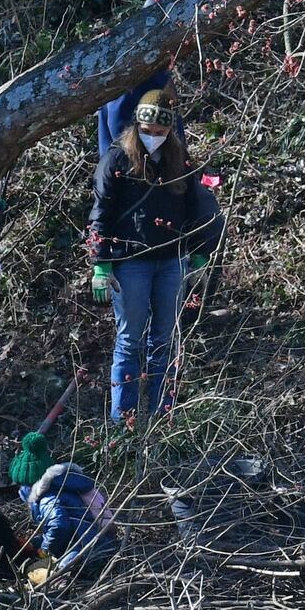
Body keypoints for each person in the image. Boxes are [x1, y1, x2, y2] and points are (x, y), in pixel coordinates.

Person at [90, 89, 218, 421]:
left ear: (170, 132)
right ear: (137, 127)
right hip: (130, 260)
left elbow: (198, 209)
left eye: (160, 133)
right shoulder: (117, 159)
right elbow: (101, 212)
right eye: (147, 132)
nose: (153, 138)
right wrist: (102, 265)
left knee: (164, 340)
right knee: (130, 340)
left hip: (171, 260)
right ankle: (124, 419)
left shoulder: (179, 161)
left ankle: (163, 415)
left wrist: (200, 256)